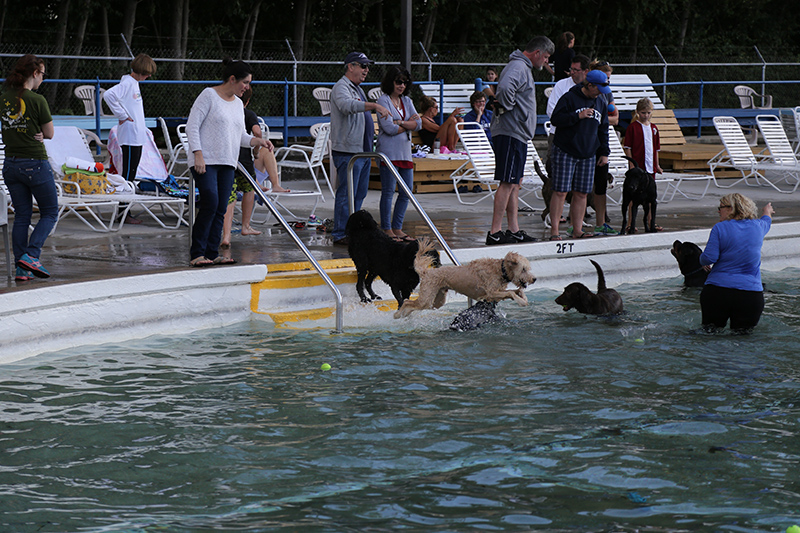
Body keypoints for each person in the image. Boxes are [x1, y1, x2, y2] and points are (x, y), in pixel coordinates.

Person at [186, 58, 271, 267]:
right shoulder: (209, 95)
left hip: (227, 162)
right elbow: (192, 126)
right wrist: (198, 153)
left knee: (221, 207)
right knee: (211, 203)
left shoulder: (237, 105)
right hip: (205, 161)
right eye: (245, 83)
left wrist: (257, 140)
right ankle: (197, 252)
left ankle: (211, 252)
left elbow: (240, 136)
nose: (247, 88)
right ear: (232, 79)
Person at [486, 36, 554, 246]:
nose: (546, 62)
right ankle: (494, 232)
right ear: (537, 53)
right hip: (510, 132)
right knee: (507, 182)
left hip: (517, 133)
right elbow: (505, 90)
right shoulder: (518, 66)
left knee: (515, 183)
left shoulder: (522, 67)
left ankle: (513, 230)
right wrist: (507, 107)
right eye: (545, 58)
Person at [1, 54, 57, 280]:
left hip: (11, 164)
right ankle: (31, 256)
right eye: (43, 74)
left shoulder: (3, 97)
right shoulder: (37, 100)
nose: (43, 79)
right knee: (50, 212)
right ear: (34, 74)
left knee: (22, 215)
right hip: (34, 163)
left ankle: (21, 268)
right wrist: (41, 134)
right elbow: (50, 133)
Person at [329, 52, 390, 246]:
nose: (366, 70)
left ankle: (351, 230)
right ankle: (340, 233)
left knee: (359, 194)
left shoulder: (357, 89)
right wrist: (374, 105)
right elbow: (346, 106)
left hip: (361, 151)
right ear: (350, 66)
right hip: (348, 152)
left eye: (367, 66)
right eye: (363, 66)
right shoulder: (341, 87)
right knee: (347, 194)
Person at [548, 69, 611, 240]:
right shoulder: (569, 97)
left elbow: (603, 129)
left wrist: (604, 152)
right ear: (589, 85)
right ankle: (554, 231)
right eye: (597, 89)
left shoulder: (601, 102)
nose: (599, 93)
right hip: (566, 149)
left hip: (588, 152)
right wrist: (578, 116)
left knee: (582, 193)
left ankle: (577, 229)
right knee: (561, 191)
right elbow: (556, 119)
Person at [221, 85, 287, 247]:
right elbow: (257, 132)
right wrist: (256, 148)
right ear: (248, 101)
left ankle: (226, 236)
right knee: (249, 189)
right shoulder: (248, 114)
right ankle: (245, 225)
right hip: (243, 159)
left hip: (227, 157)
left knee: (230, 196)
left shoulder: (225, 112)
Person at [700, 193, 773, 333]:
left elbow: (709, 258)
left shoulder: (720, 228)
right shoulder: (759, 226)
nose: (718, 211)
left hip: (717, 291)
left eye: (720, 207)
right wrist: (767, 211)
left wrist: (701, 260)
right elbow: (767, 220)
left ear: (730, 209)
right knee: (742, 339)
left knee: (709, 334)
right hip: (750, 294)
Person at [376, 65, 421, 242]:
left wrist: (400, 122)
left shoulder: (407, 101)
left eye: (404, 82)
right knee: (388, 191)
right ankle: (387, 228)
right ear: (391, 82)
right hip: (388, 152)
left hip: (404, 153)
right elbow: (388, 128)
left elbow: (419, 124)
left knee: (406, 191)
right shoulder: (383, 101)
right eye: (398, 82)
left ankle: (397, 227)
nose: (401, 85)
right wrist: (407, 123)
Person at [103, 54, 157, 183]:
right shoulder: (128, 83)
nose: (148, 76)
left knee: (132, 170)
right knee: (128, 172)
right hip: (130, 134)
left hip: (136, 134)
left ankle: (127, 198)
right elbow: (108, 95)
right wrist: (122, 115)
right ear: (140, 72)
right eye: (146, 73)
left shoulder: (134, 83)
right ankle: (124, 201)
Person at [623, 97, 663, 232]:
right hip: (637, 168)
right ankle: (630, 223)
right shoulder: (632, 127)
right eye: (643, 113)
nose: (646, 115)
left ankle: (652, 221)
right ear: (637, 112)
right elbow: (627, 147)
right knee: (632, 197)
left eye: (648, 113)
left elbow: (656, 148)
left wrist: (657, 165)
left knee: (651, 197)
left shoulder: (654, 128)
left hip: (650, 168)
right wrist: (631, 164)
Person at [590, 60, 619, 236]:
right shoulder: (588, 94)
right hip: (587, 144)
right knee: (581, 187)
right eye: (606, 79)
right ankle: (574, 221)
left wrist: (604, 119)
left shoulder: (606, 94)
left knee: (601, 185)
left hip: (601, 142)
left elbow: (616, 118)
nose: (608, 83)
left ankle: (601, 222)